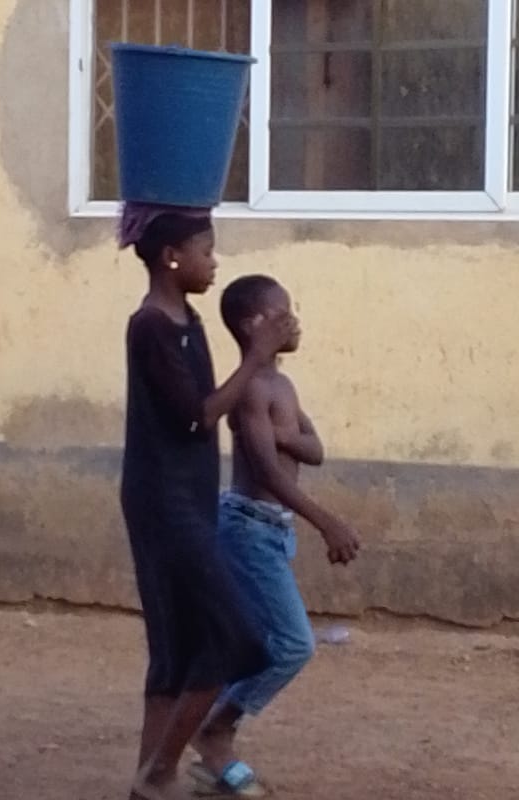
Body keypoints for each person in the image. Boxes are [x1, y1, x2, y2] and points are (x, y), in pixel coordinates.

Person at [119, 206, 295, 800]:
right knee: (233, 638)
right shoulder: (151, 327)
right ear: (173, 257)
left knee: (173, 652)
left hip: (188, 500)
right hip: (163, 504)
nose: (213, 261)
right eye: (205, 250)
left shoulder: (186, 317)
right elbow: (197, 416)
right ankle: (166, 768)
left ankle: (146, 784)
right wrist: (254, 355)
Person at [190, 274, 360, 797]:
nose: (293, 321)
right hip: (246, 528)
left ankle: (206, 745)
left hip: (269, 532)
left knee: (259, 642)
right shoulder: (252, 390)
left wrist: (283, 432)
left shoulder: (281, 385)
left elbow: (315, 448)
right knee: (291, 644)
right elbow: (266, 470)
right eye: (281, 312)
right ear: (252, 325)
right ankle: (213, 732)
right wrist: (326, 520)